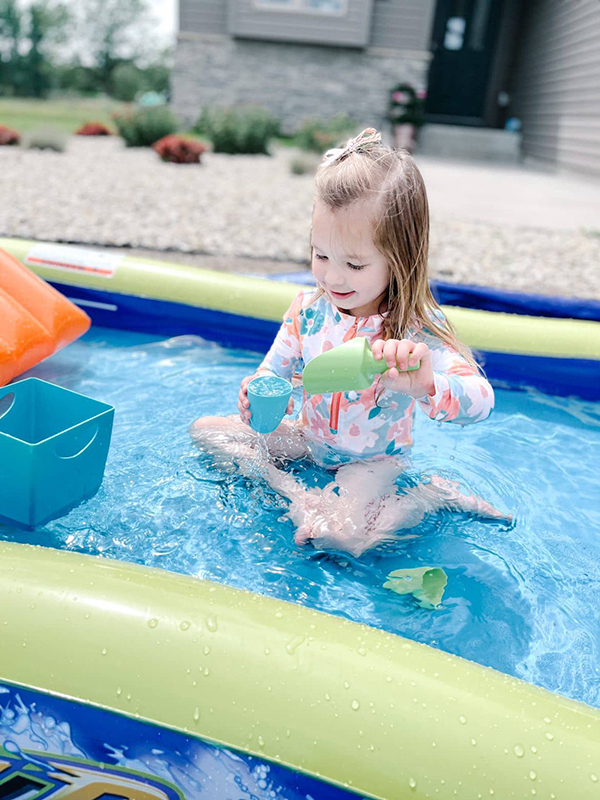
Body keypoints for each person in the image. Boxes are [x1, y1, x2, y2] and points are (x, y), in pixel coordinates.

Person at [190, 128, 509, 556]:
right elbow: (271, 370)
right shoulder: (307, 310)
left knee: (341, 540)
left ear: (400, 259)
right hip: (307, 437)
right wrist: (259, 393)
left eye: (355, 264)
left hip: (370, 461)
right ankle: (297, 496)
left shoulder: (414, 328)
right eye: (320, 255)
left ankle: (428, 497)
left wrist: (428, 385)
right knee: (207, 433)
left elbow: (482, 401)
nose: (333, 277)